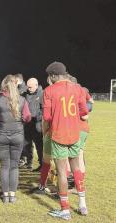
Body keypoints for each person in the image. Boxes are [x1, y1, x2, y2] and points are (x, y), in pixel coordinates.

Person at [43, 62, 89, 220]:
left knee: (63, 172)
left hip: (58, 135)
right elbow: (84, 111)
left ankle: (65, 210)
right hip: (75, 133)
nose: (50, 79)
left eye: (50, 76)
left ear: (54, 75)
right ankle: (83, 204)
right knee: (77, 169)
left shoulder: (49, 90)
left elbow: (47, 117)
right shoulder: (78, 89)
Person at [0, 74, 31, 203]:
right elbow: (27, 117)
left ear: (4, 85)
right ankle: (12, 195)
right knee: (14, 167)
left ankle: (5, 195)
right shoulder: (22, 100)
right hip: (17, 135)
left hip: (2, 135)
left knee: (4, 166)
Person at [21, 78, 43, 171]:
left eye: (30, 87)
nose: (28, 88)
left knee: (39, 146)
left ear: (36, 85)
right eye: (27, 87)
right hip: (27, 124)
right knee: (26, 144)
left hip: (37, 125)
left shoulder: (42, 94)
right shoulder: (24, 94)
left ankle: (42, 164)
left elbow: (44, 109)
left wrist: (38, 117)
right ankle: (28, 163)